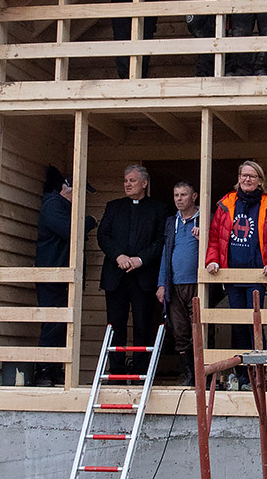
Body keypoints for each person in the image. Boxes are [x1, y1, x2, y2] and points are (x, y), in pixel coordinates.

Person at [205, 160, 267, 389]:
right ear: (238, 178)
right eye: (243, 175)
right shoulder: (225, 204)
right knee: (238, 326)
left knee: (254, 325)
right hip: (232, 277)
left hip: (257, 277)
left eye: (252, 176)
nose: (247, 179)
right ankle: (241, 376)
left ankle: (258, 377)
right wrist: (212, 260)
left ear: (260, 180)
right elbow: (213, 238)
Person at [98, 164, 166, 379]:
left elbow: (161, 240)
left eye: (132, 180)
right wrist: (119, 256)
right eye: (126, 180)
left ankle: (140, 370)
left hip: (143, 276)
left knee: (143, 324)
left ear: (144, 183)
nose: (127, 184)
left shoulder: (158, 208)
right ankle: (116, 369)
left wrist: (140, 259)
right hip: (116, 274)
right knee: (115, 323)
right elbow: (103, 236)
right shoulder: (113, 206)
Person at [33, 166, 97, 386]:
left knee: (63, 324)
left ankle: (56, 369)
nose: (82, 198)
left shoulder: (63, 207)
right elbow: (70, 231)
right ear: (68, 188)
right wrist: (89, 221)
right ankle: (43, 370)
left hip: (63, 275)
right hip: (52, 273)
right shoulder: (53, 205)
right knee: (52, 322)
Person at [157, 181, 201, 386]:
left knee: (198, 331)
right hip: (174, 286)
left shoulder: (204, 219)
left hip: (197, 284)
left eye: (183, 195)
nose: (179, 199)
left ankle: (203, 374)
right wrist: (161, 284)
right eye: (176, 195)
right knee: (180, 331)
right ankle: (190, 375)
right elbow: (166, 254)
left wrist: (204, 238)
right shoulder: (170, 222)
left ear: (194, 197)